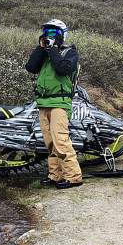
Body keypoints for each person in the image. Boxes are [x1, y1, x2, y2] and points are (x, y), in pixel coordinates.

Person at [25, 19, 83, 189]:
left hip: (60, 103)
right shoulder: (45, 53)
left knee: (61, 141)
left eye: (53, 33)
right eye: (47, 32)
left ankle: (73, 177)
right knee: (50, 142)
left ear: (61, 36)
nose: (49, 36)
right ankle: (55, 175)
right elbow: (30, 67)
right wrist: (41, 48)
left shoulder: (70, 53)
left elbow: (62, 69)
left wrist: (53, 50)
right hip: (43, 102)